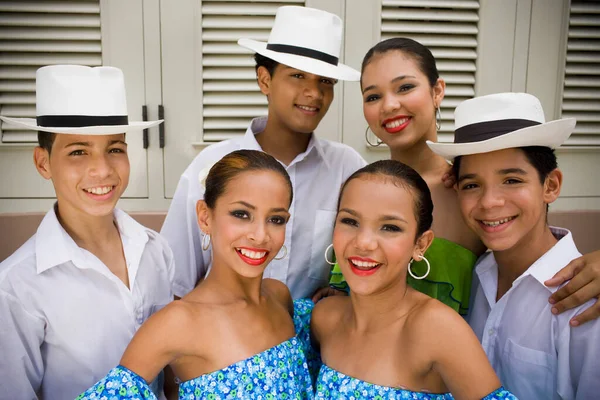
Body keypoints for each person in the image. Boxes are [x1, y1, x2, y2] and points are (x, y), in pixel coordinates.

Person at [327, 37, 600, 324]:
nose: (390, 105)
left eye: (405, 87)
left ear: (437, 91)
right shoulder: (358, 187)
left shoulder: (470, 195)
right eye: (373, 96)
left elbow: (536, 254)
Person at [161, 5, 366, 301]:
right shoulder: (210, 165)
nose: (314, 93)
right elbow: (176, 281)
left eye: (326, 81)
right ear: (265, 80)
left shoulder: (347, 168)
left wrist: (340, 291)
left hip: (310, 339)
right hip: (219, 335)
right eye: (298, 76)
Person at [79, 150, 316, 399]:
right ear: (205, 216)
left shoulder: (279, 297)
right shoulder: (178, 322)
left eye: (276, 219)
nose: (260, 235)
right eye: (241, 214)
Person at [0, 65, 172, 399]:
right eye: (78, 151)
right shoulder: (16, 287)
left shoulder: (155, 250)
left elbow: (168, 370)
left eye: (115, 148)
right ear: (43, 163)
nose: (102, 169)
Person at [428, 92, 600, 398]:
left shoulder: (587, 302)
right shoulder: (474, 274)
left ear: (550, 185)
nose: (490, 202)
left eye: (512, 180)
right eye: (471, 185)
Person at [311, 160, 517, 399]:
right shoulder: (325, 319)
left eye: (389, 227)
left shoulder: (437, 330)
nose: (363, 243)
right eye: (350, 221)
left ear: (420, 244)